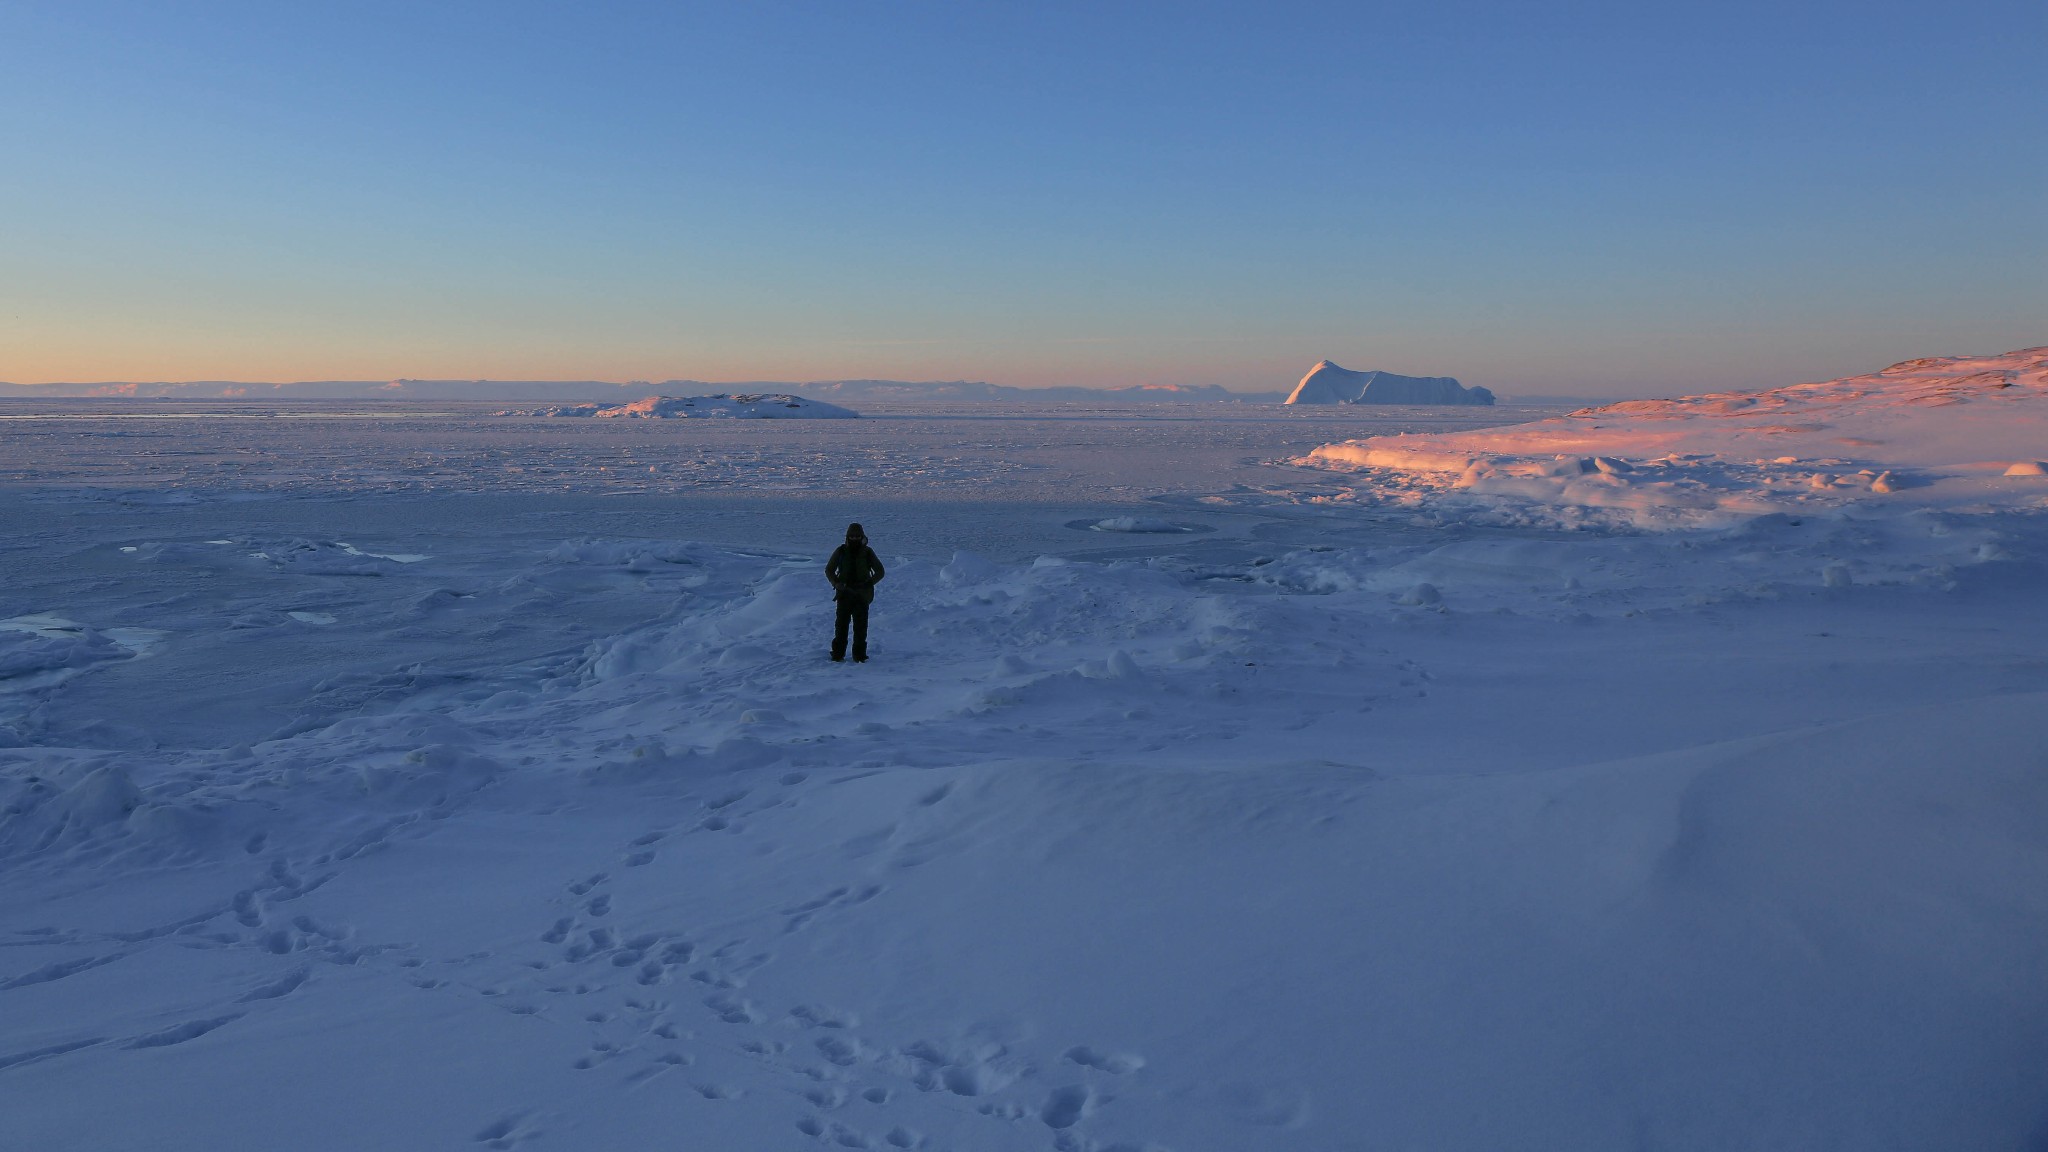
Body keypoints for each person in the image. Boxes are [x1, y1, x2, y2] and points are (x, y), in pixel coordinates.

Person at [825, 522, 885, 662]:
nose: (854, 538)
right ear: (847, 536)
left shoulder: (868, 552)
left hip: (861, 596)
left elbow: (880, 571)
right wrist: (836, 583)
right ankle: (838, 654)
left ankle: (859, 656)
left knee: (860, 628)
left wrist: (869, 583)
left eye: (857, 536)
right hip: (844, 594)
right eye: (852, 536)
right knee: (841, 626)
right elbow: (829, 569)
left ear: (862, 536)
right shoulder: (840, 551)